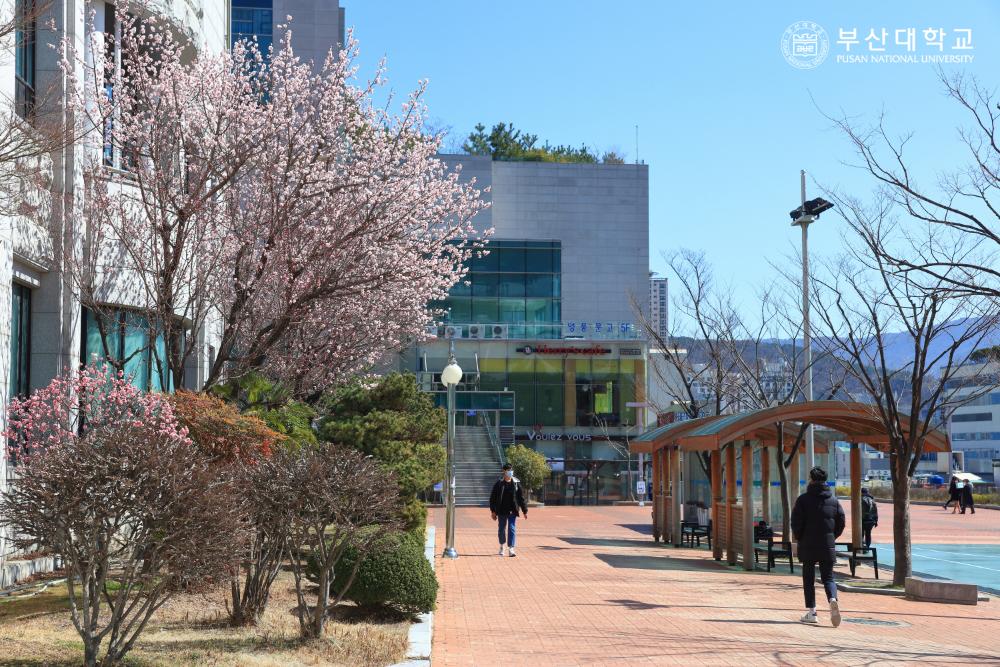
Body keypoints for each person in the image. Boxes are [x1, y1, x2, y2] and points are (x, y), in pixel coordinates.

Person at [791, 466, 846, 627]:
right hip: (826, 545)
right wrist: (832, 537)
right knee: (828, 577)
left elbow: (795, 523)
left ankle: (812, 612)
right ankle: (833, 599)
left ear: (811, 479)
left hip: (807, 545)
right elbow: (841, 522)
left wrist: (800, 537)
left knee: (808, 579)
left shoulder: (803, 500)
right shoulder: (834, 501)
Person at [489, 463, 528, 557]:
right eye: (508, 470)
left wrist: (524, 510)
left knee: (511, 528)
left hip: (512, 511)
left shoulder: (516, 483)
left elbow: (521, 498)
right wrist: (493, 511)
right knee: (501, 529)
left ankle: (511, 548)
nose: (510, 472)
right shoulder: (499, 484)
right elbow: (492, 498)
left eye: (511, 470)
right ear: (504, 471)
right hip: (501, 510)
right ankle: (502, 546)